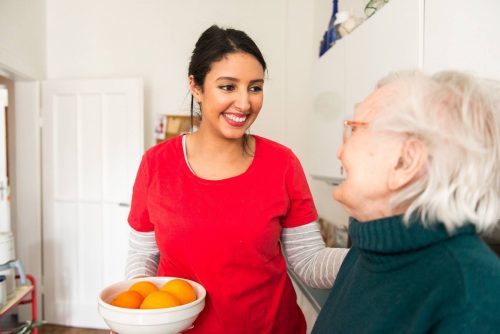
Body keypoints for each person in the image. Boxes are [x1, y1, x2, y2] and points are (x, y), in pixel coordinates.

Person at [125, 25, 348, 334]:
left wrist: (375, 256)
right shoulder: (156, 164)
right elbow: (143, 255)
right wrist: (138, 313)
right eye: (228, 87)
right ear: (196, 87)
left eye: (254, 88)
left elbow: (309, 263)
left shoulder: (282, 164)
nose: (244, 104)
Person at [312, 70, 500, 333]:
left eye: (354, 130)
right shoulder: (365, 252)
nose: (340, 151)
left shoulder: (473, 293)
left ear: (406, 161)